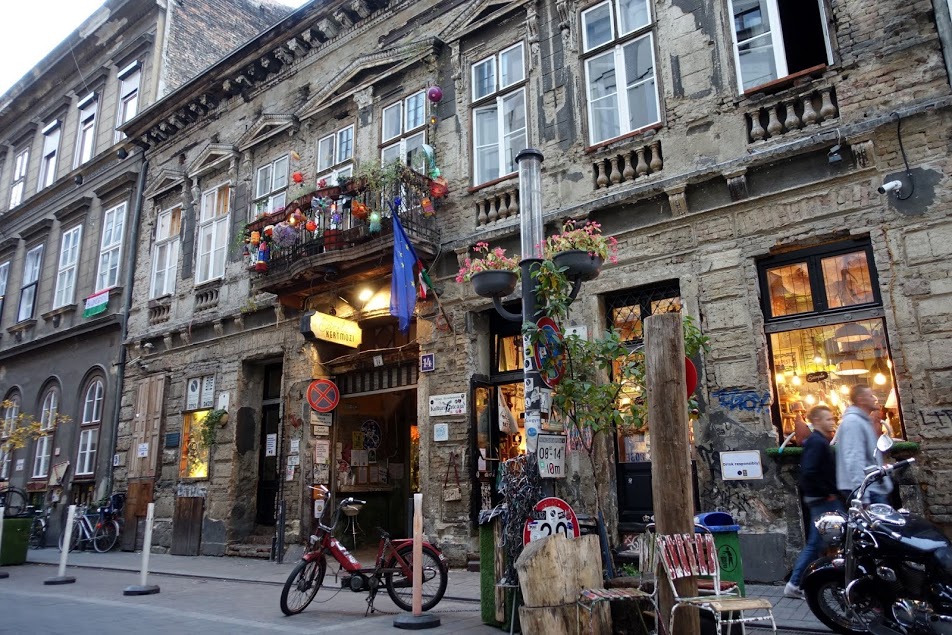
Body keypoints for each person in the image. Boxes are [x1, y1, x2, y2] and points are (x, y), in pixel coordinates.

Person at [785, 405, 844, 599]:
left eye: (832, 418)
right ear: (817, 421)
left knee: (828, 540)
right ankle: (794, 583)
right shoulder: (817, 442)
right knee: (816, 542)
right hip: (823, 499)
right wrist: (827, 492)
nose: (832, 421)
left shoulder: (819, 441)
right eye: (828, 419)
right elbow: (809, 471)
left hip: (824, 498)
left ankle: (831, 579)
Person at [835, 385, 892, 505]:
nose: (874, 399)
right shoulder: (853, 422)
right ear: (861, 399)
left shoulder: (861, 421)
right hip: (867, 490)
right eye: (870, 395)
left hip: (871, 487)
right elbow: (854, 459)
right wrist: (862, 497)